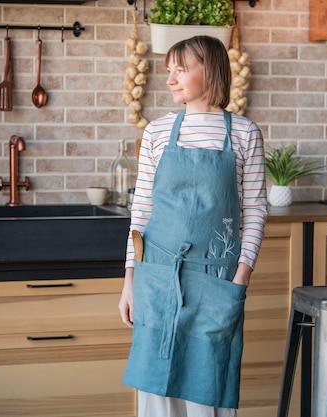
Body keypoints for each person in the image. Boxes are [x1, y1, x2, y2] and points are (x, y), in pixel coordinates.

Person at [118, 35, 267, 417]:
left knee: (207, 389)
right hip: (157, 276)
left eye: (181, 70)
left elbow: (255, 211)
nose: (169, 80)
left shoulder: (245, 133)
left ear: (211, 70)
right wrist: (129, 280)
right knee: (156, 391)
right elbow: (142, 211)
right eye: (169, 71)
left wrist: (240, 280)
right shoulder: (156, 132)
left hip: (215, 280)